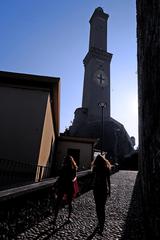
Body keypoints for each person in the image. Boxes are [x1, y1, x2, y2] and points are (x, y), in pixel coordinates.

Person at [53, 155, 78, 225]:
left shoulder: (64, 168)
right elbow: (74, 177)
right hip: (69, 186)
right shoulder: (73, 168)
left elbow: (60, 177)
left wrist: (56, 183)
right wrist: (71, 180)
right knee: (69, 202)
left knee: (58, 202)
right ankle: (68, 218)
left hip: (62, 186)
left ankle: (55, 219)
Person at [91, 154, 111, 236]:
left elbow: (94, 179)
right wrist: (110, 190)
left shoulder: (95, 168)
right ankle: (101, 225)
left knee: (98, 207)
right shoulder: (106, 168)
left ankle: (100, 222)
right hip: (104, 189)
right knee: (102, 207)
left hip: (96, 189)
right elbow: (108, 180)